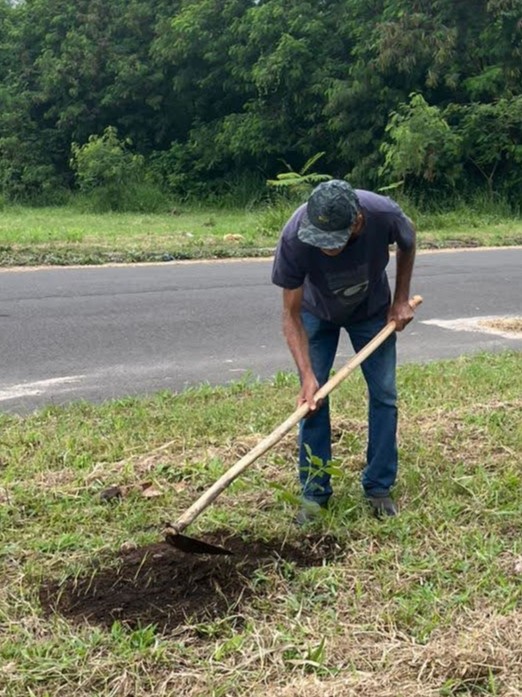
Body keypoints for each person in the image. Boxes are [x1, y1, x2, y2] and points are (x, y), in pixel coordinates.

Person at [271, 179, 416, 524]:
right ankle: (314, 495)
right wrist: (307, 375)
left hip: (371, 312)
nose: (325, 249)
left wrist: (400, 300)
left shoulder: (383, 214)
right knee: (313, 401)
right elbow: (290, 314)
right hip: (315, 314)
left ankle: (378, 488)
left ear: (358, 222)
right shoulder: (295, 236)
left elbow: (408, 242)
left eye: (333, 242)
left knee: (384, 395)